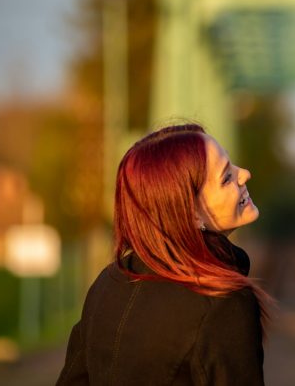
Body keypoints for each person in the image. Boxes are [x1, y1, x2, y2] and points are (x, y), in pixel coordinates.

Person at [57, 124, 269, 386]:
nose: (245, 174)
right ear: (189, 214)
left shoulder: (106, 285)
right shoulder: (223, 302)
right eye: (226, 178)